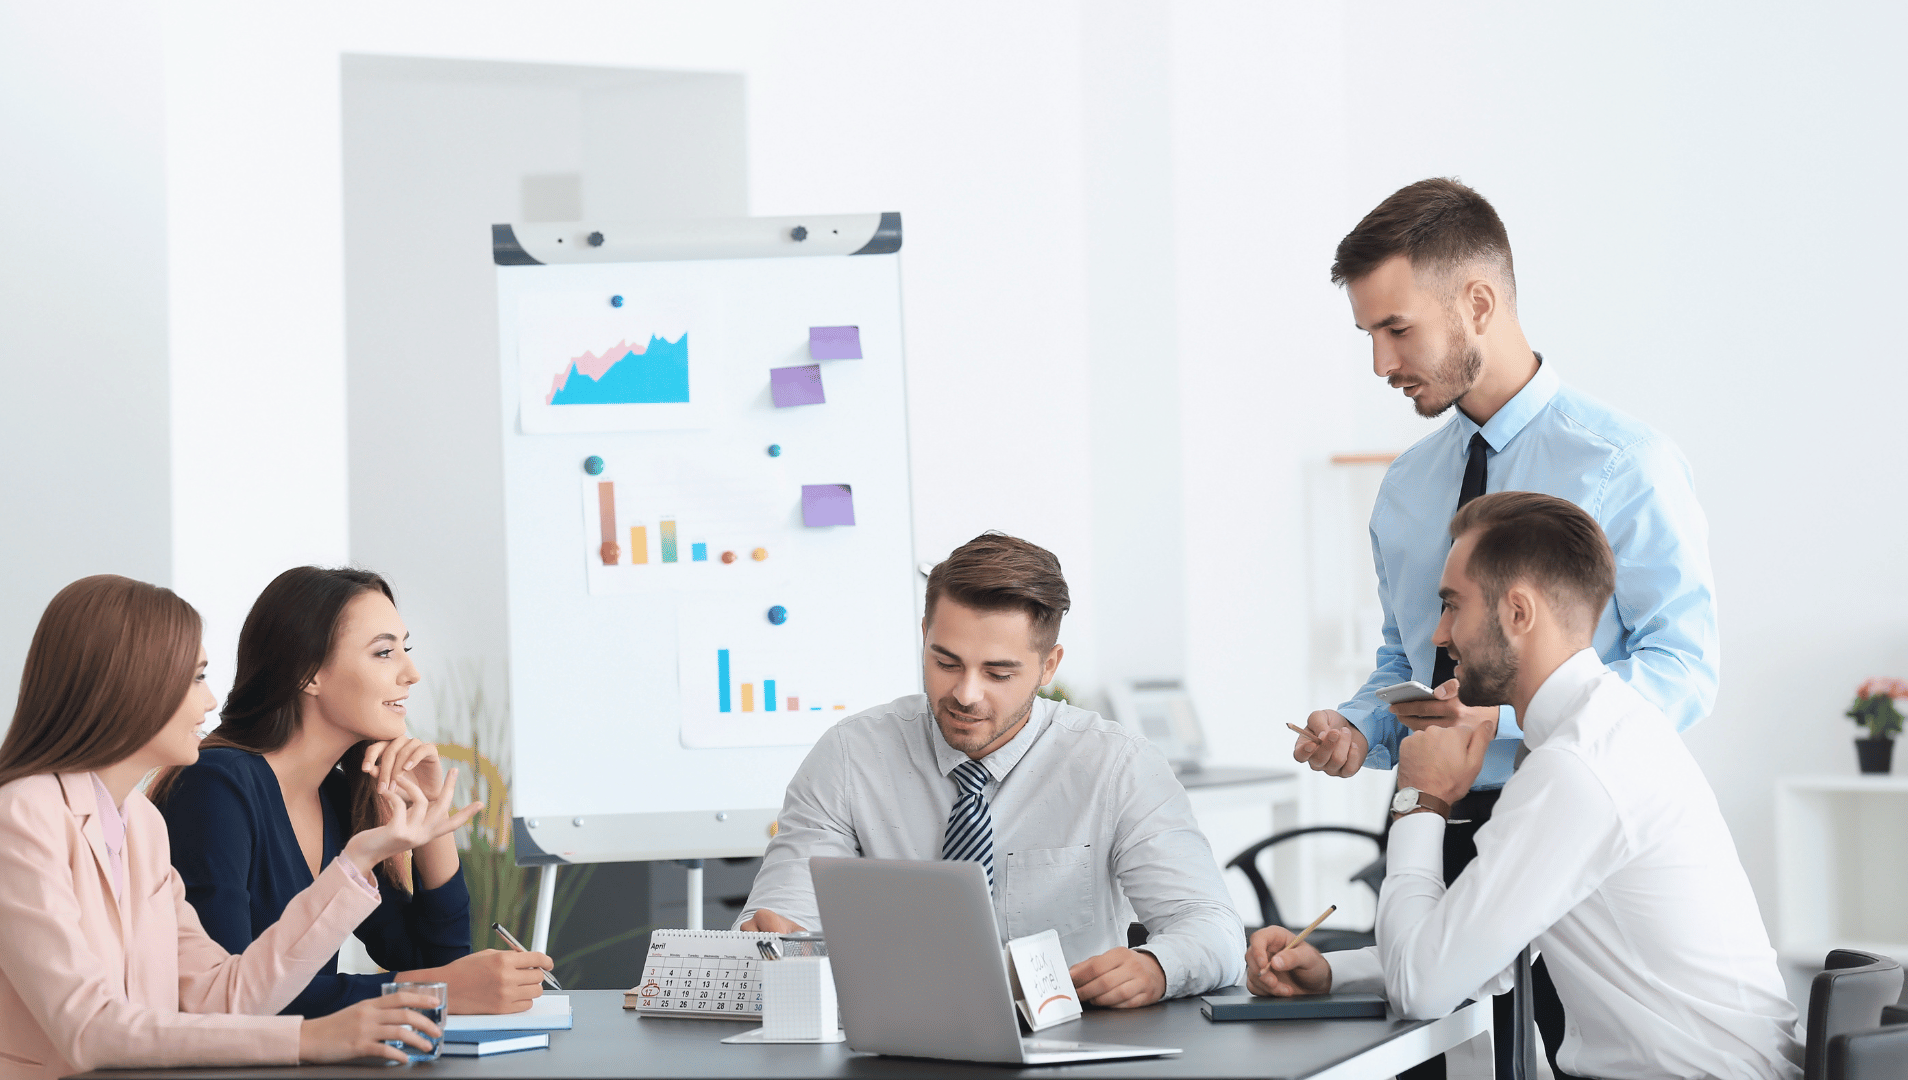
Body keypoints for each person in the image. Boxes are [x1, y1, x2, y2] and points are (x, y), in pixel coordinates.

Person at [1293, 178, 1719, 1078]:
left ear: (1477, 302)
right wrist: (1358, 728)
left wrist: (1521, 729)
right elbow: (1403, 662)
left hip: (1576, 817)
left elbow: (1682, 666)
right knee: (1421, 1047)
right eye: (1367, 334)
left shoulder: (1626, 467)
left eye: (1396, 329)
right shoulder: (1406, 490)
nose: (1379, 363)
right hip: (1431, 822)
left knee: (1583, 1057)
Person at [1253, 493, 1800, 1080]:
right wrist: (1335, 971)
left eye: (1451, 605)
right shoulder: (1602, 730)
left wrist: (1421, 797)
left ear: (1518, 612)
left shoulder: (1577, 766)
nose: (1439, 635)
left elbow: (1422, 989)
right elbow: (1487, 948)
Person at [0, 575, 477, 1076]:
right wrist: (312, 1037)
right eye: (197, 677)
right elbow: (89, 1028)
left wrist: (359, 860)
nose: (211, 700)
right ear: (130, 682)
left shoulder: (142, 827)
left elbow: (225, 993)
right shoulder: (19, 817)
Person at [739, 533, 1242, 1006]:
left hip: (1072, 1042)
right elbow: (782, 919)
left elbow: (1212, 927)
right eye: (946, 662)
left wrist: (1157, 967)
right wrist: (772, 939)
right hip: (890, 1038)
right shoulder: (850, 757)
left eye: (999, 673)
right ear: (924, 636)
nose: (966, 693)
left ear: (1048, 667)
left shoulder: (1117, 765)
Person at [152, 567, 551, 1017]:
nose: (412, 673)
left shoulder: (337, 796)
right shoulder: (216, 787)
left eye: (406, 649)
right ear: (308, 673)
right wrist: (423, 991)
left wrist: (433, 819)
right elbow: (231, 995)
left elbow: (436, 963)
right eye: (384, 652)